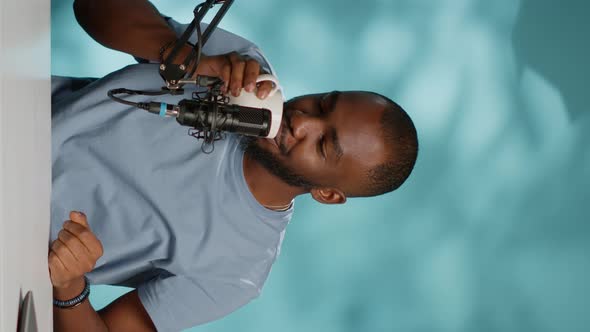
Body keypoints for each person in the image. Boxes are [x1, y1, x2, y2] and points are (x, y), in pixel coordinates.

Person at [48, 1, 419, 331]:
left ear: (327, 193)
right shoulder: (243, 68)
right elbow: (93, 7)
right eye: (322, 103)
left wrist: (70, 287)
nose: (302, 121)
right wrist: (183, 55)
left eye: (323, 145)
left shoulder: (238, 272)